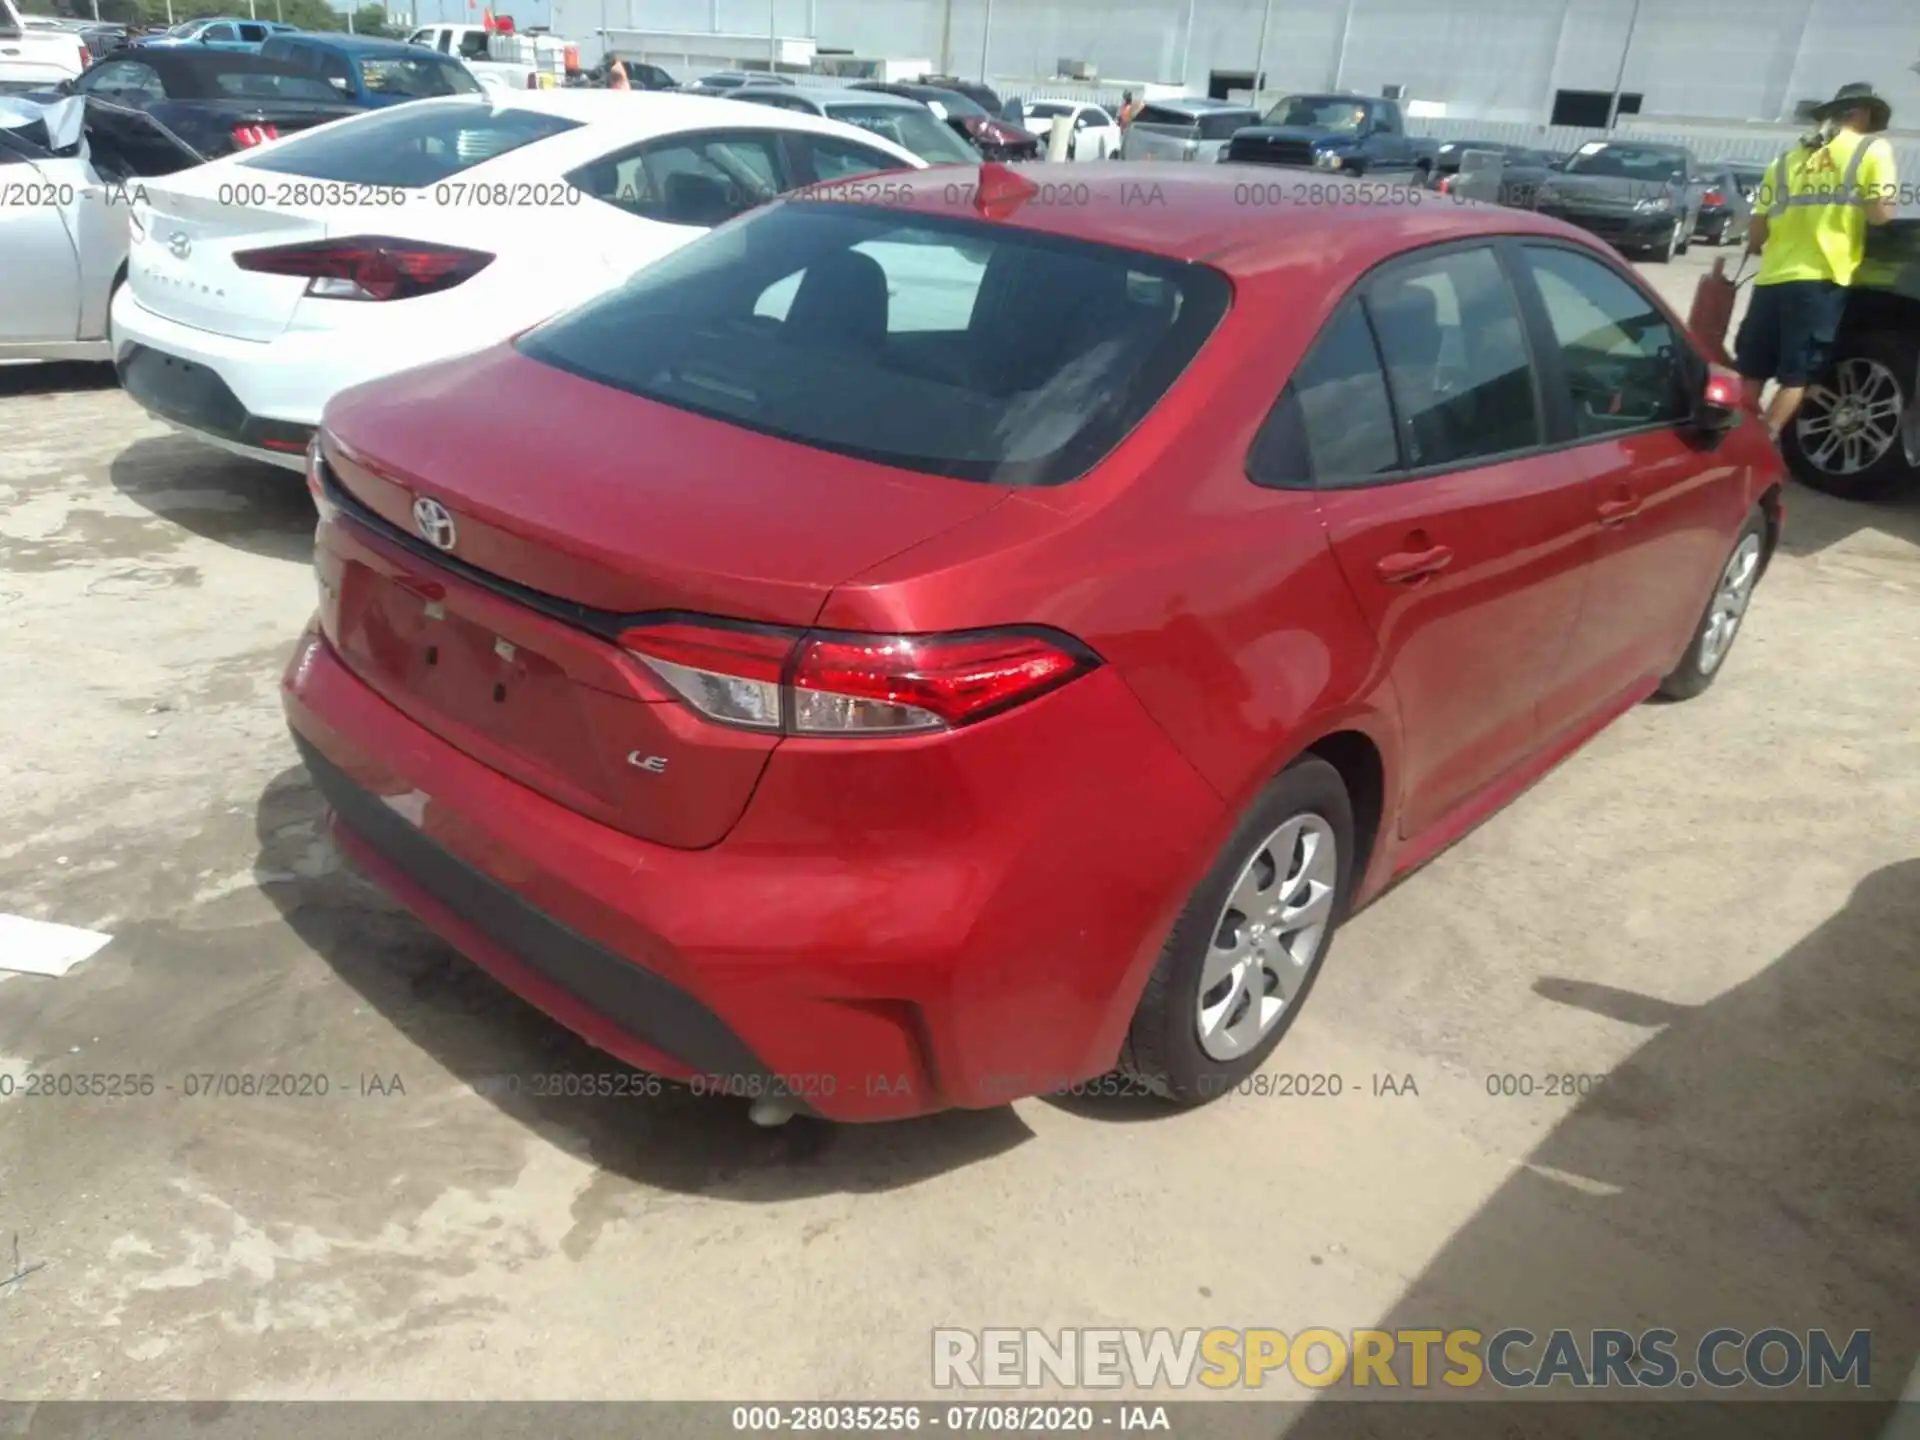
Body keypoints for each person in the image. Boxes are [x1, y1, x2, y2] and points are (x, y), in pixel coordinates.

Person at [1733, 81, 1898, 441]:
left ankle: (1734, 442)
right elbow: (1882, 214)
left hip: (1771, 281)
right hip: (1821, 281)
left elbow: (1757, 234)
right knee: (1798, 376)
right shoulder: (1872, 149)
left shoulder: (1785, 160)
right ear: (1864, 113)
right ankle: (1763, 442)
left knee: (1752, 372)